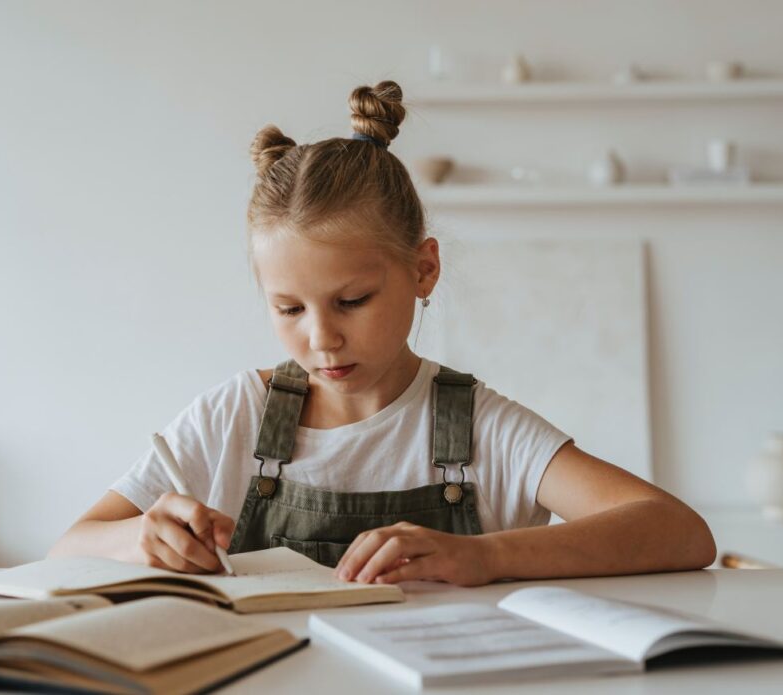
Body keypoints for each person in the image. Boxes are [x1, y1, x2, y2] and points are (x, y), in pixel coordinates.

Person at [49, 81, 716, 587]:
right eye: (288, 309)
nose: (322, 338)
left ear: (423, 269)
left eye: (351, 300)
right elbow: (69, 545)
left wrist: (482, 554)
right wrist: (142, 538)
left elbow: (680, 532)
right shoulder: (235, 417)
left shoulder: (479, 426)